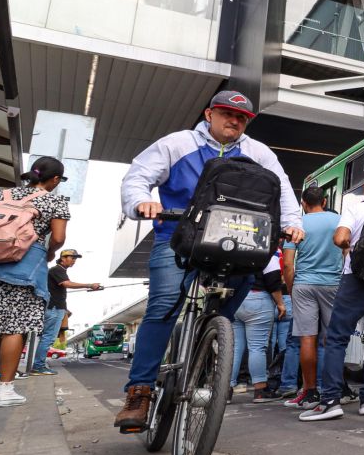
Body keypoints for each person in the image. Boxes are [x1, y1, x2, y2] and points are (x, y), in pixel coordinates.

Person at [114, 91, 304, 431]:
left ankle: (208, 345)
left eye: (242, 117)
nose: (234, 120)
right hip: (178, 237)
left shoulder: (259, 153)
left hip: (235, 240)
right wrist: (142, 201)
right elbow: (138, 177)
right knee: (164, 305)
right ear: (208, 114)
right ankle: (139, 391)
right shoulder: (178, 143)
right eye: (227, 113)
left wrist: (292, 223)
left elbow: (283, 190)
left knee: (232, 299)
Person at [0, 157, 71, 409]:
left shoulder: (1, 194)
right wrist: (49, 252)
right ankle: (6, 391)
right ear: (55, 179)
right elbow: (59, 237)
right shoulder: (54, 201)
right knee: (15, 328)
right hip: (23, 268)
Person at [299, 173, 364, 422]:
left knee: (336, 338)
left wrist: (351, 250)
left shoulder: (356, 208)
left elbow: (339, 238)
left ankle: (330, 401)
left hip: (355, 281)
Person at [282, 186, 344, 409]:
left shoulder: (297, 224)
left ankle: (310, 392)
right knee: (331, 340)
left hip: (304, 284)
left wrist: (292, 289)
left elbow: (288, 264)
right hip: (333, 284)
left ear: (303, 203)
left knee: (307, 338)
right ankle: (330, 390)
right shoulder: (338, 220)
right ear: (325, 201)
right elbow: (347, 251)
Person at [31, 249, 101, 375]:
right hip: (54, 308)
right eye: (72, 258)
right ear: (63, 258)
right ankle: (38, 366)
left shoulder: (59, 270)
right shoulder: (57, 270)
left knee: (47, 337)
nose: (74, 260)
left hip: (55, 307)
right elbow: (67, 284)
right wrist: (90, 285)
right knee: (48, 337)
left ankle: (38, 365)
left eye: (75, 258)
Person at [230, 254, 283, 403]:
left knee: (235, 348)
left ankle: (225, 390)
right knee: (257, 347)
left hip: (235, 300)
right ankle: (260, 390)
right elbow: (273, 280)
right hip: (258, 299)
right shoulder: (267, 252)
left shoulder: (236, 248)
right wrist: (280, 303)